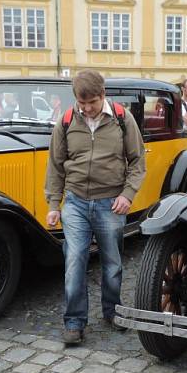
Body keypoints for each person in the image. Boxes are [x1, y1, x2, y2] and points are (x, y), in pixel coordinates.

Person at [44, 70, 145, 345]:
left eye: (92, 102)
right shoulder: (65, 121)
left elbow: (137, 163)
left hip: (110, 203)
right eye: (81, 102)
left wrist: (127, 194)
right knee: (75, 260)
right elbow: (55, 166)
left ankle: (112, 311)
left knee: (112, 263)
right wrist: (54, 204)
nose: (87, 109)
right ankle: (74, 322)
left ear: (103, 95)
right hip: (75, 202)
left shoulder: (123, 119)